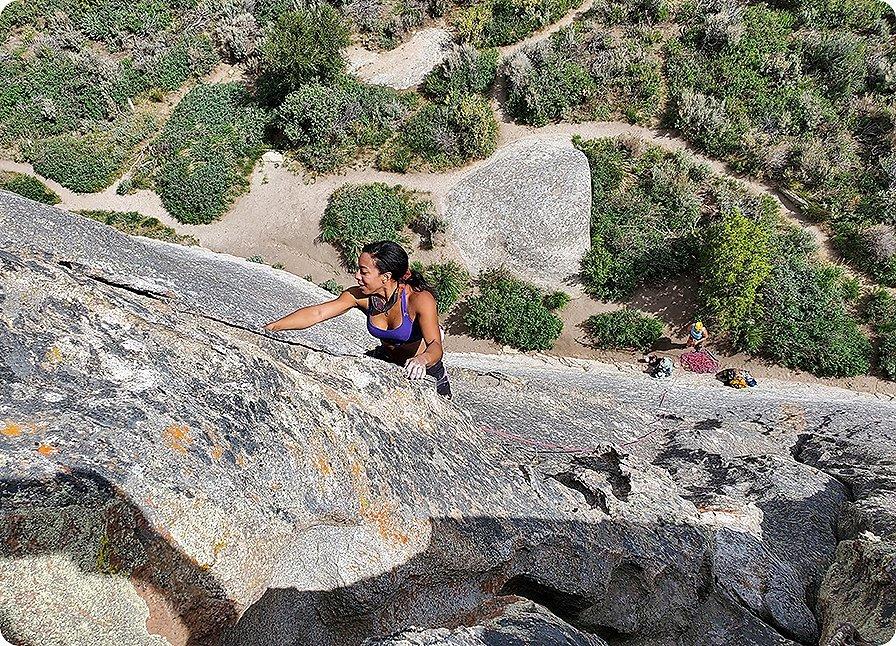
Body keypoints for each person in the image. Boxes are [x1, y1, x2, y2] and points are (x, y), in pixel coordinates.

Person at [262, 240, 452, 398]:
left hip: (424, 370)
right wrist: (273, 327)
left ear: (385, 277)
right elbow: (317, 313)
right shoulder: (360, 297)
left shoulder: (418, 299)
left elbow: (435, 345)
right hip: (386, 360)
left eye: (364, 271)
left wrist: (422, 359)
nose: (356, 276)